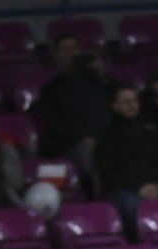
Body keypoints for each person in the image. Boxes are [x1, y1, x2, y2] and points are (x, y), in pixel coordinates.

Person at [94, 84, 158, 235]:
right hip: (125, 190)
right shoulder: (107, 137)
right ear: (115, 106)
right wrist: (138, 188)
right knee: (130, 204)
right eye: (125, 102)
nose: (131, 105)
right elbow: (108, 173)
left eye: (134, 100)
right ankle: (138, 244)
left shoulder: (152, 132)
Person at [32, 33, 110, 171]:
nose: (70, 53)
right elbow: (55, 123)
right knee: (85, 153)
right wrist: (81, 139)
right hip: (72, 144)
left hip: (103, 137)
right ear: (56, 55)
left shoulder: (97, 82)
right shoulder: (52, 89)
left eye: (74, 48)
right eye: (64, 49)